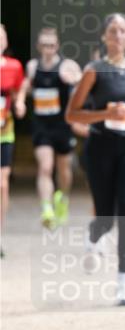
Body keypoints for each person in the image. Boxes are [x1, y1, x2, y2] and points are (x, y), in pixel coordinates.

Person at [66, 13, 125, 306]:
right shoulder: (94, 70)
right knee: (104, 216)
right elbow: (72, 114)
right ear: (104, 37)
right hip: (99, 148)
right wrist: (104, 114)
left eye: (123, 31)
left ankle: (123, 285)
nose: (117, 36)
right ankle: (93, 238)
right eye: (112, 31)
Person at [14, 27, 82, 228]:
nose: (48, 49)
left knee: (64, 170)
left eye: (51, 45)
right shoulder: (33, 67)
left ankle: (62, 199)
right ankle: (47, 209)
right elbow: (25, 86)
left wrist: (75, 80)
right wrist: (20, 101)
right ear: (38, 46)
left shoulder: (67, 65)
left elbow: (82, 82)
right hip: (41, 126)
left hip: (62, 126)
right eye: (44, 45)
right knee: (45, 167)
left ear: (57, 46)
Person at [0, 24, 25, 256]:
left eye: (1, 38)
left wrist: (19, 103)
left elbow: (19, 91)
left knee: (2, 184)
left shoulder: (14, 66)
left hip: (4, 131)